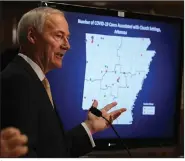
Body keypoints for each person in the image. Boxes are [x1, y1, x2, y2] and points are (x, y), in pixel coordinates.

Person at [1, 7, 126, 158]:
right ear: (32, 36)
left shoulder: (34, 79)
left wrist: (90, 126)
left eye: (67, 37)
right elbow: (23, 154)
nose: (67, 45)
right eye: (59, 36)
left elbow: (52, 149)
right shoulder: (18, 80)